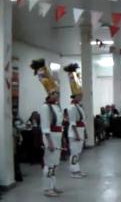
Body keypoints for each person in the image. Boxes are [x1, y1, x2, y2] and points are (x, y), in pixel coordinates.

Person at [32, 59, 63, 197]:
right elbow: (45, 127)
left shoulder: (56, 106)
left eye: (57, 93)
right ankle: (47, 188)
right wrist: (49, 142)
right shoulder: (45, 107)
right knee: (49, 163)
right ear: (49, 94)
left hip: (58, 137)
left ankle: (53, 185)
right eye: (55, 93)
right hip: (50, 138)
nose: (57, 95)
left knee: (55, 163)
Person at [65, 63, 87, 179]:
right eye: (80, 95)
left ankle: (77, 169)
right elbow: (72, 123)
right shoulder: (72, 108)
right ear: (75, 96)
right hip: (74, 133)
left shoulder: (78, 106)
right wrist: (78, 135)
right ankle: (73, 171)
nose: (81, 96)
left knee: (78, 152)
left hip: (80, 131)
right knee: (74, 152)